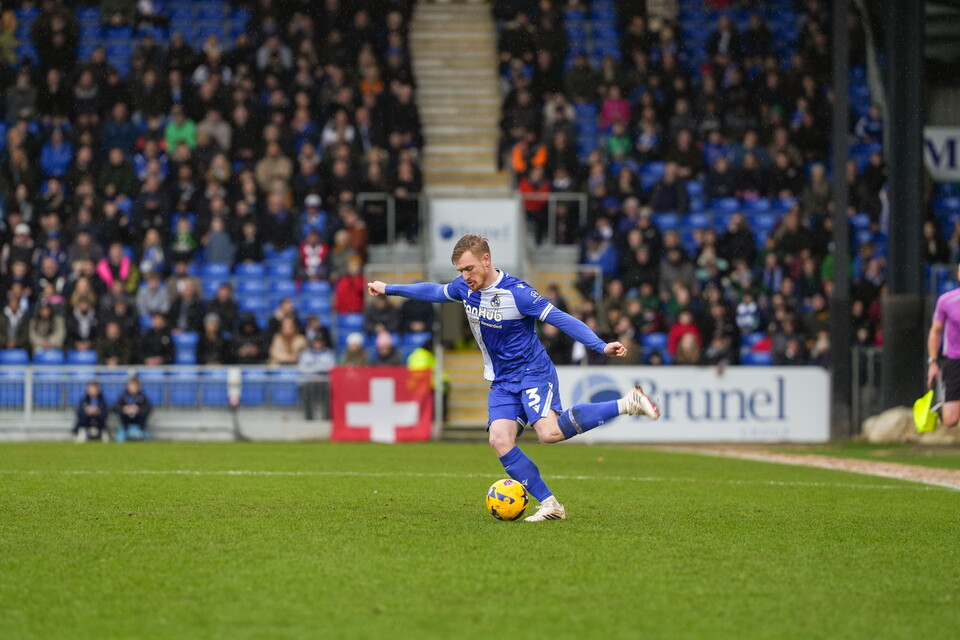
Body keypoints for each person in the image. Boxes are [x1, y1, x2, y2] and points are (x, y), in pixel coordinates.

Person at [367, 234, 660, 522]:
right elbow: (434, 291)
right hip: (502, 380)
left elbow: (561, 319)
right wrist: (389, 288)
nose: (465, 276)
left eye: (469, 269)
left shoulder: (518, 293)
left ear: (486, 259)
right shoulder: (464, 289)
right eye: (460, 271)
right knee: (499, 440)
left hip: (532, 372)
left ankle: (627, 403)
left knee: (549, 433)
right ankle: (551, 504)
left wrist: (600, 345)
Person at [927, 265, 960, 428]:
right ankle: (943, 409)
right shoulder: (946, 301)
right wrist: (933, 362)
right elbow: (935, 331)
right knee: (950, 420)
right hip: (954, 361)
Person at [112, 377, 152, 442]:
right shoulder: (123, 397)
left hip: (140, 424)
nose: (133, 388)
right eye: (131, 385)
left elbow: (148, 408)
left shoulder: (142, 398)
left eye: (135, 386)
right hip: (125, 424)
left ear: (139, 387)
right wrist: (124, 409)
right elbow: (115, 407)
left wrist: (138, 409)